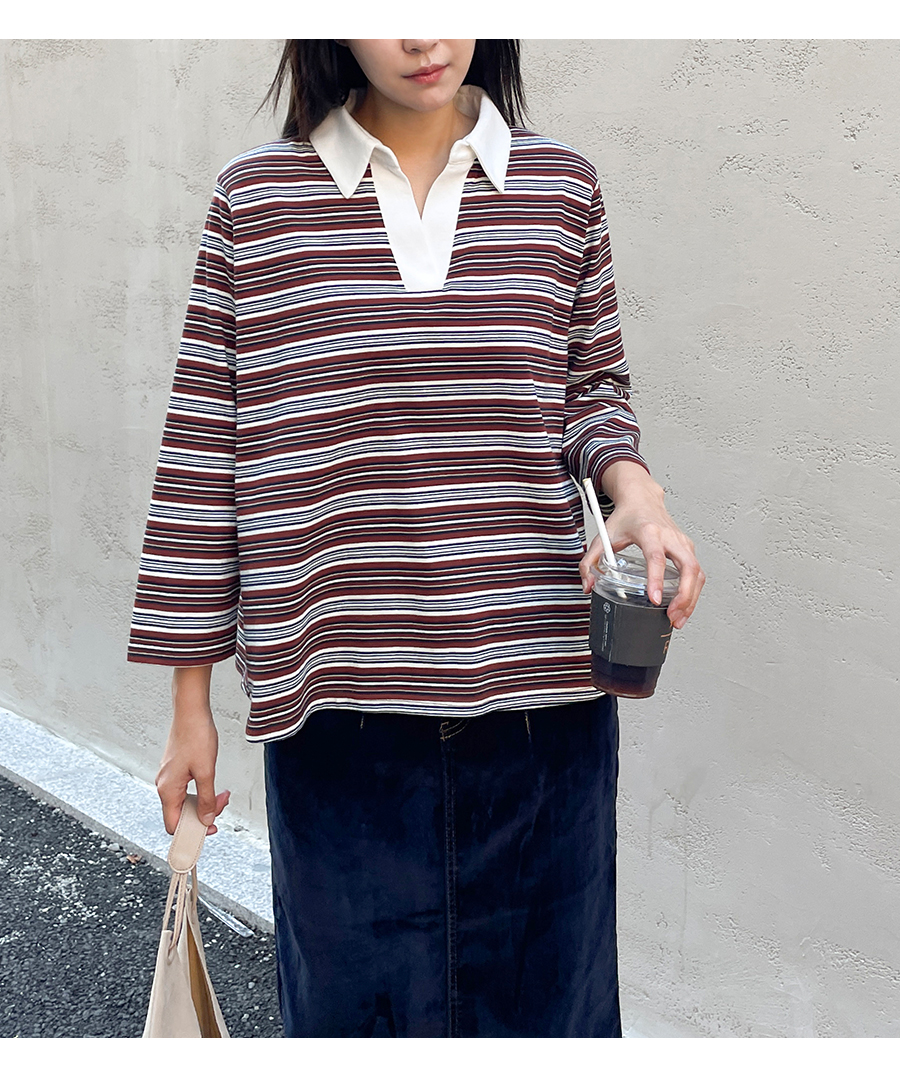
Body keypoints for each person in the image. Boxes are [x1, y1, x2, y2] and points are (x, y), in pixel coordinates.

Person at [127, 39, 705, 1038]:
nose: (422, 37)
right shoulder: (256, 201)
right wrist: (191, 704)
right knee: (353, 1026)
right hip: (338, 715)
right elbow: (205, 446)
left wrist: (639, 494)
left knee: (548, 1025)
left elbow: (591, 391)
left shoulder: (561, 189)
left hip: (541, 711)